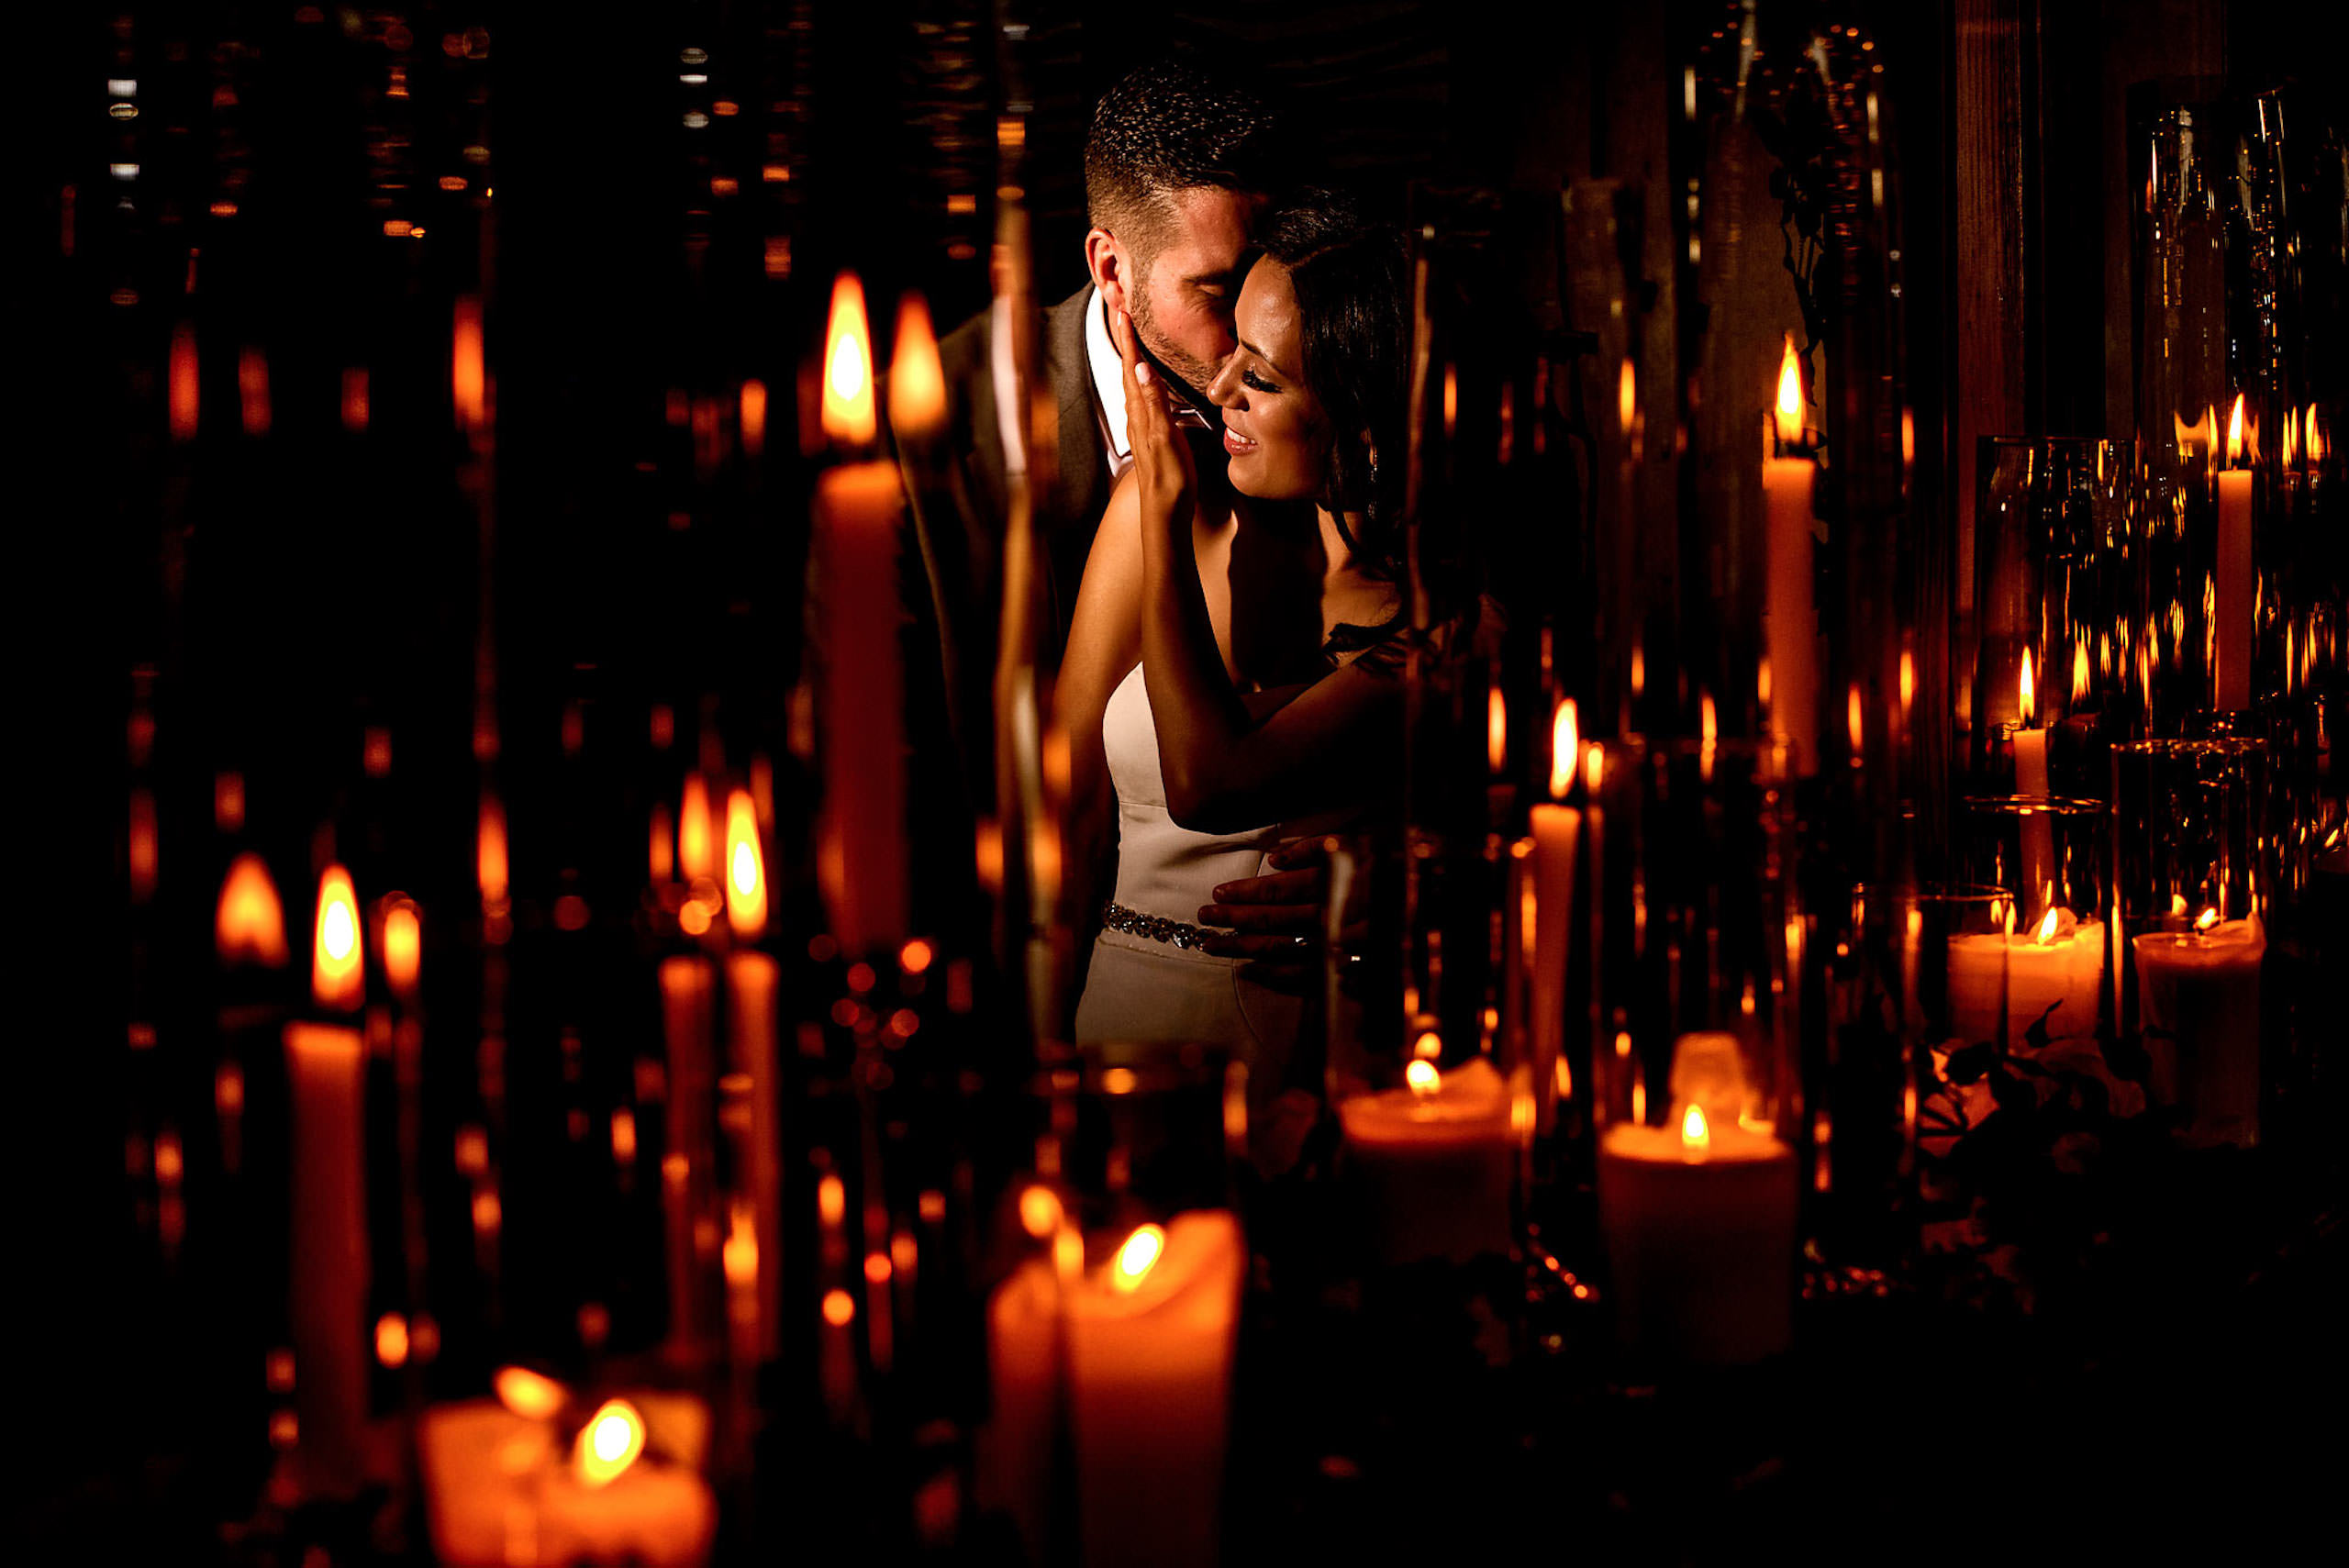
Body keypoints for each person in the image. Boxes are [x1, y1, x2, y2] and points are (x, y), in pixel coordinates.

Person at [1058, 195, 1469, 1117]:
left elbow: (1207, 783)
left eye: (1266, 379)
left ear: (1357, 419)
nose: (1218, 387)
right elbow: (1065, 801)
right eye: (1230, 346)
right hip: (1112, 1016)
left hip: (1269, 1048)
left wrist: (1160, 517)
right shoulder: (1184, 506)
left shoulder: (1437, 631)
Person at [887, 60, 1284, 854]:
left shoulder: (1316, 398)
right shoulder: (921, 435)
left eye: (1265, 275)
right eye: (1215, 290)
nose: (1255, 327)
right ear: (1110, 267)